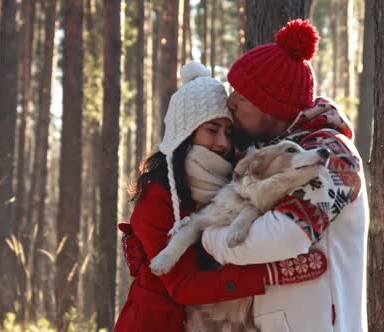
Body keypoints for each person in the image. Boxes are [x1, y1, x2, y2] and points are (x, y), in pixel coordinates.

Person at [114, 61, 327, 332]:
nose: (223, 143)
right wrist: (271, 274)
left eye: (228, 132)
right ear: (186, 134)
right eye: (212, 130)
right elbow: (183, 286)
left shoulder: (230, 182)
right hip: (157, 323)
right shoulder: (157, 196)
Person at [200, 19, 369, 331]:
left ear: (271, 107)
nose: (231, 101)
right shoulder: (260, 154)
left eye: (244, 95)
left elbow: (284, 235)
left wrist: (208, 237)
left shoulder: (332, 155)